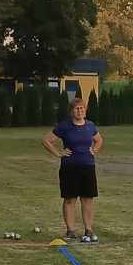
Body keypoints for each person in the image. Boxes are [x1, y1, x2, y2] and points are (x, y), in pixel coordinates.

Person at [45, 92, 102, 242]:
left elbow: (99, 140)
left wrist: (95, 150)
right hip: (69, 167)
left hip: (88, 166)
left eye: (82, 108)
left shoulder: (90, 125)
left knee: (87, 199)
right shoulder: (64, 126)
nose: (80, 111)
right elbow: (47, 140)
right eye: (77, 109)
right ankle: (70, 230)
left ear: (85, 110)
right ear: (71, 111)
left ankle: (88, 229)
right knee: (70, 199)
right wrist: (58, 153)